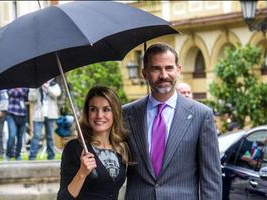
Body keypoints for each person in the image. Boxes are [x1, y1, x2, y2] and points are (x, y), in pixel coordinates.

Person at [122, 43, 222, 199]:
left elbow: (211, 179)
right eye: (155, 69)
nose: (163, 75)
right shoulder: (126, 114)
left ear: (178, 70)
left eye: (169, 68)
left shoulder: (201, 115)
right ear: (144, 73)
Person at [57, 86, 130, 200]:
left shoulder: (121, 148)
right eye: (93, 109)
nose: (99, 115)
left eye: (106, 109)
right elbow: (63, 198)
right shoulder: (75, 148)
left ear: (115, 113)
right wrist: (82, 173)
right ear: (87, 113)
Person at [28, 79, 61, 160]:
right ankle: (32, 156)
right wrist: (37, 88)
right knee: (36, 135)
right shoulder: (34, 86)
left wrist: (47, 88)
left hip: (51, 114)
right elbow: (31, 98)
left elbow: (57, 94)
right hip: (38, 114)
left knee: (50, 136)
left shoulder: (54, 85)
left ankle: (51, 156)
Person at [5, 87, 29, 161]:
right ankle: (8, 155)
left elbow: (25, 94)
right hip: (11, 113)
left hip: (22, 114)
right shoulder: (9, 84)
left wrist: (17, 89)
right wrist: (19, 90)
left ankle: (17, 155)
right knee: (12, 135)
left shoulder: (25, 85)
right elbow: (11, 92)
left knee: (20, 137)